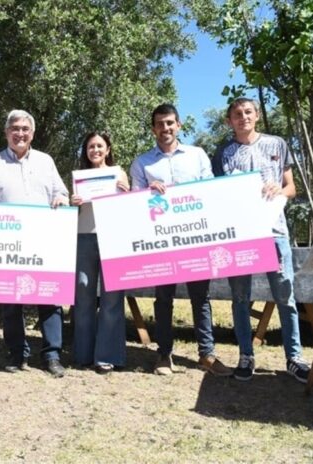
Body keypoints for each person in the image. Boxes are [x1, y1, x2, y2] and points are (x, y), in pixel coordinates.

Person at [212, 97, 310, 383]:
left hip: (275, 233)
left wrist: (278, 190)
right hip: (239, 237)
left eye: (248, 112)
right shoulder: (222, 153)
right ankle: (246, 356)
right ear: (229, 121)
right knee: (240, 298)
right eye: (237, 114)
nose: (243, 117)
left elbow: (291, 187)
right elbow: (217, 194)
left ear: (256, 115)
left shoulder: (277, 144)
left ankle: (294, 358)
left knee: (285, 297)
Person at [130, 103, 232, 377]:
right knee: (163, 299)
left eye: (170, 123)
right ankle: (164, 354)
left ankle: (207, 354)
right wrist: (146, 192)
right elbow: (133, 202)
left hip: (195, 238)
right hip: (162, 242)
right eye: (160, 124)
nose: (165, 128)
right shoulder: (142, 163)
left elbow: (209, 190)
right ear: (153, 129)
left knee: (201, 298)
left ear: (179, 125)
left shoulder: (197, 155)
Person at [0, 109, 70, 377]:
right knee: (10, 300)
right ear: (6, 132)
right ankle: (17, 354)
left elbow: (61, 192)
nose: (20, 133)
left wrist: (61, 199)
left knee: (49, 298)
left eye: (25, 129)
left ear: (32, 134)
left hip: (43, 241)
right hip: (7, 244)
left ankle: (52, 355)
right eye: (15, 128)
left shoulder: (46, 161)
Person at [70, 132, 129, 374]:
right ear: (86, 151)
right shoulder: (78, 178)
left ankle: (107, 355)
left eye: (99, 146)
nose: (95, 150)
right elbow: (73, 212)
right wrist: (72, 203)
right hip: (84, 238)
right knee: (83, 294)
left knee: (112, 299)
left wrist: (127, 193)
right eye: (90, 146)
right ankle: (83, 354)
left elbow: (128, 208)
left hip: (112, 238)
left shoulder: (119, 174)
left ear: (107, 149)